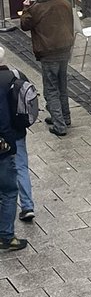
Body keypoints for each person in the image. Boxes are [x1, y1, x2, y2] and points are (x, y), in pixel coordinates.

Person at [19, 0, 78, 137]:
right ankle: (65, 117)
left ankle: (59, 125)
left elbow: (24, 25)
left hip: (48, 53)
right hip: (64, 49)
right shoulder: (64, 3)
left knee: (51, 89)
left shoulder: (36, 8)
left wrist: (26, 9)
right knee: (62, 86)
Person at [0, 48, 33, 223]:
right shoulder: (16, 75)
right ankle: (27, 206)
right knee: (21, 167)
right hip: (18, 130)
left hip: (2, 135)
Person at [0, 55, 26, 252]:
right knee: (9, 191)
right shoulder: (9, 78)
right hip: (2, 150)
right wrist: (11, 144)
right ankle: (6, 236)